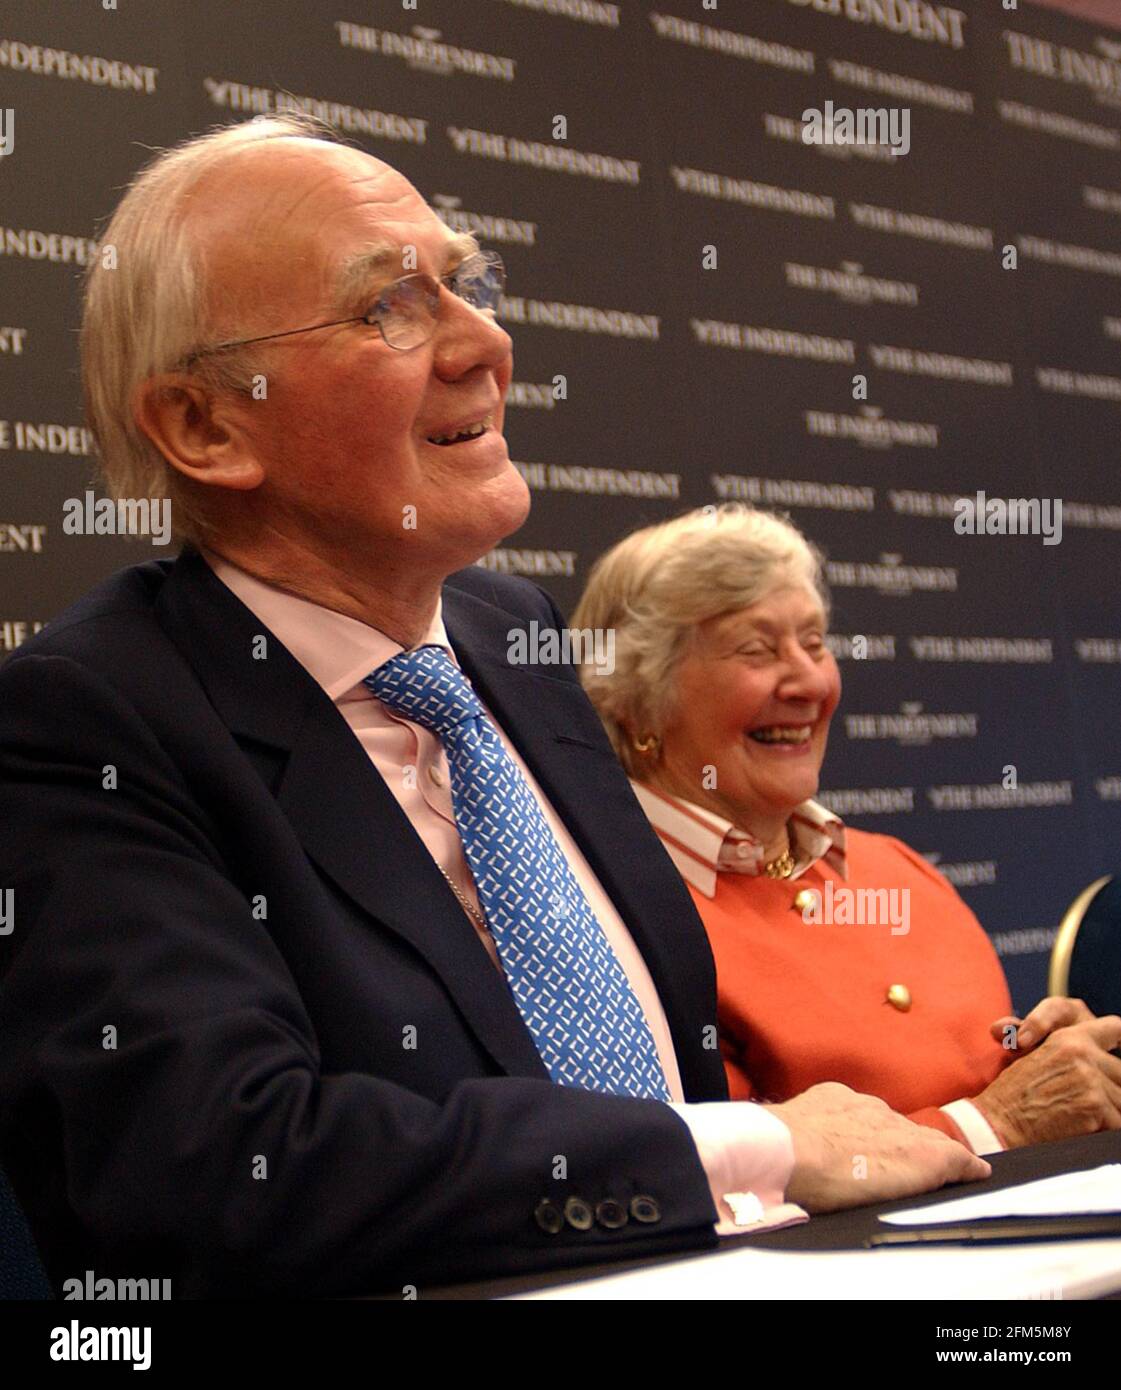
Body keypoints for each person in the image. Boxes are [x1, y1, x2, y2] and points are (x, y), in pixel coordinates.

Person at [0, 117, 988, 1300]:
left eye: (464, 283)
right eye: (390, 307)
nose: (484, 342)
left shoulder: (504, 636)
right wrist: (752, 1146)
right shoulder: (90, 721)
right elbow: (219, 1164)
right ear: (207, 427)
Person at [573, 504, 1121, 1153]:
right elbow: (731, 1185)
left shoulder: (897, 869)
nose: (808, 681)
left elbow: (992, 1084)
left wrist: (1050, 1060)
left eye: (813, 642)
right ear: (637, 698)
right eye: (756, 649)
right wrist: (994, 1124)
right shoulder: (610, 919)